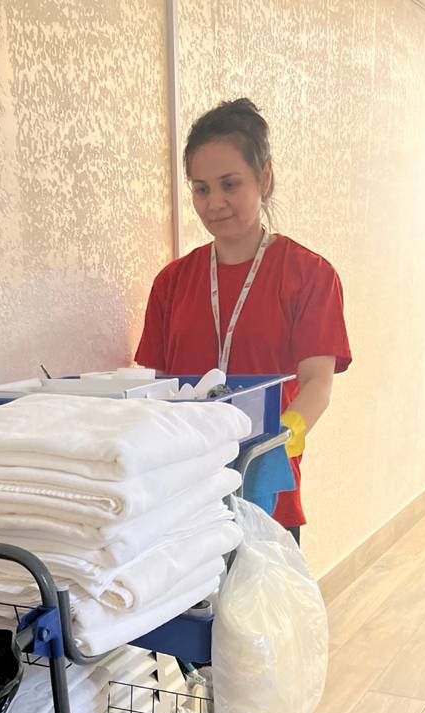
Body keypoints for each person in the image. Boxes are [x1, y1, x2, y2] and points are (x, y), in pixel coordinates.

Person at [136, 98, 352, 543]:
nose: (214, 203)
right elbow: (158, 388)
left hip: (265, 493)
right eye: (201, 189)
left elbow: (317, 384)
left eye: (229, 184)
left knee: (264, 591)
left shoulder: (309, 275)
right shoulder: (172, 283)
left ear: (264, 177)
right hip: (184, 496)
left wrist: (275, 445)